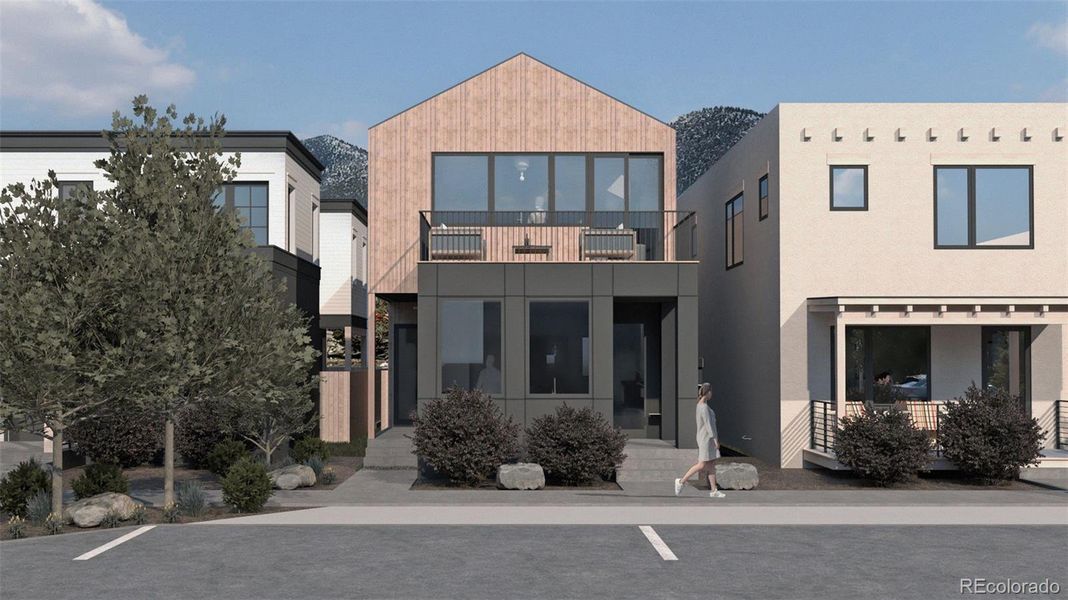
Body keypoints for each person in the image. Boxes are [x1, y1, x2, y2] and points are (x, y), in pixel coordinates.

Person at [675, 383, 725, 498]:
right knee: (702, 464)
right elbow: (708, 425)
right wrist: (715, 440)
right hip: (706, 439)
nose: (712, 394)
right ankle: (681, 481)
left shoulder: (702, 406)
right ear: (708, 392)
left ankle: (714, 490)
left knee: (711, 464)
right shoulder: (703, 407)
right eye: (711, 391)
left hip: (707, 438)